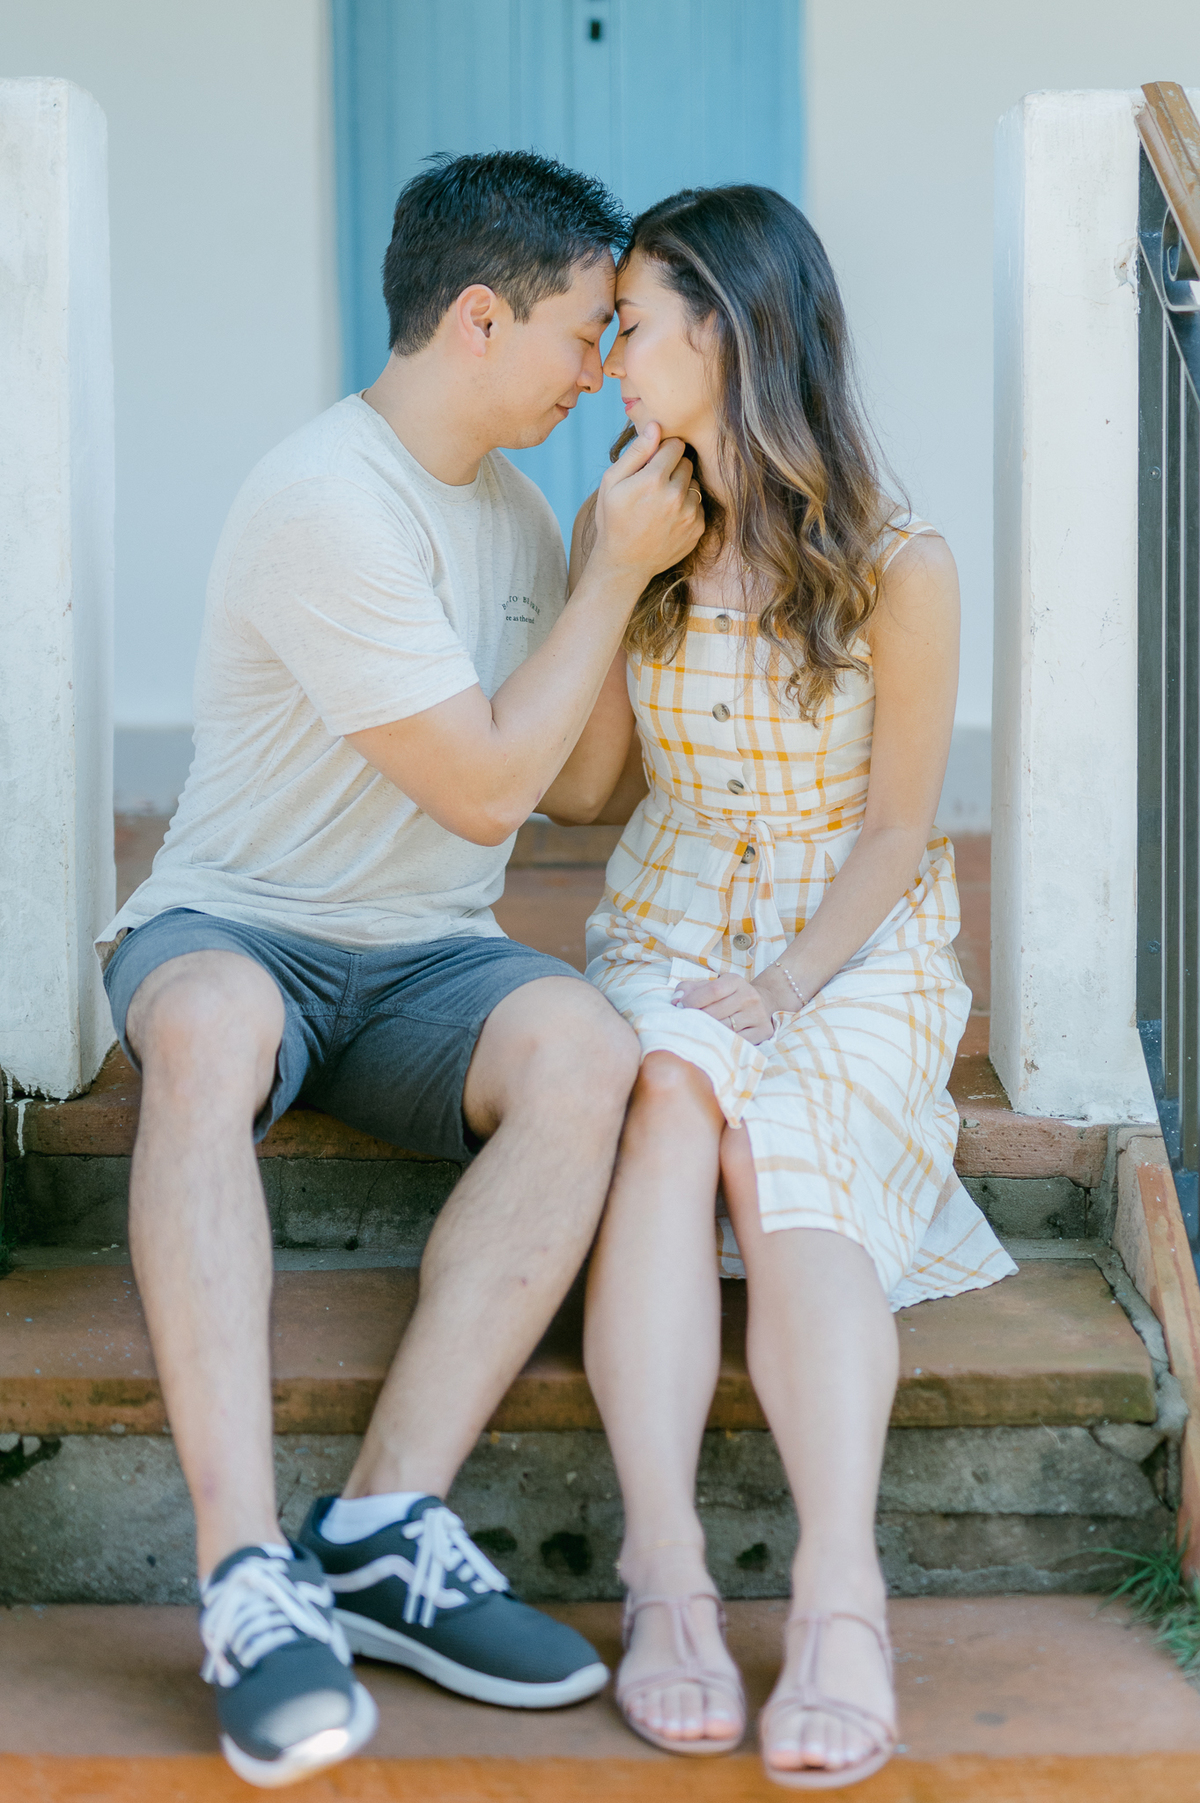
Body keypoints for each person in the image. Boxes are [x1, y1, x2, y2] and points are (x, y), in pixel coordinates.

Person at [95, 151, 703, 1788]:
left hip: (428, 957)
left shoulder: (516, 514)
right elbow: (492, 789)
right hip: (242, 926)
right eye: (586, 330)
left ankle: (380, 1528)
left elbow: (581, 787)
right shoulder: (327, 497)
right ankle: (245, 1574)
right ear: (482, 318)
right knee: (209, 1025)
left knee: (587, 1048)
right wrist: (613, 574)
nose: (602, 369)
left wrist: (624, 576)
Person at [543, 185, 1016, 1790]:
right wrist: (608, 579)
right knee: (674, 1095)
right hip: (670, 918)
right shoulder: (633, 526)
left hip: (852, 938)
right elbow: (585, 796)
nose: (610, 361)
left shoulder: (899, 561)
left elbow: (899, 828)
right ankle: (666, 1574)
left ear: (728, 331)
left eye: (632, 326)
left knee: (780, 1139)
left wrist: (796, 981)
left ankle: (838, 1594)